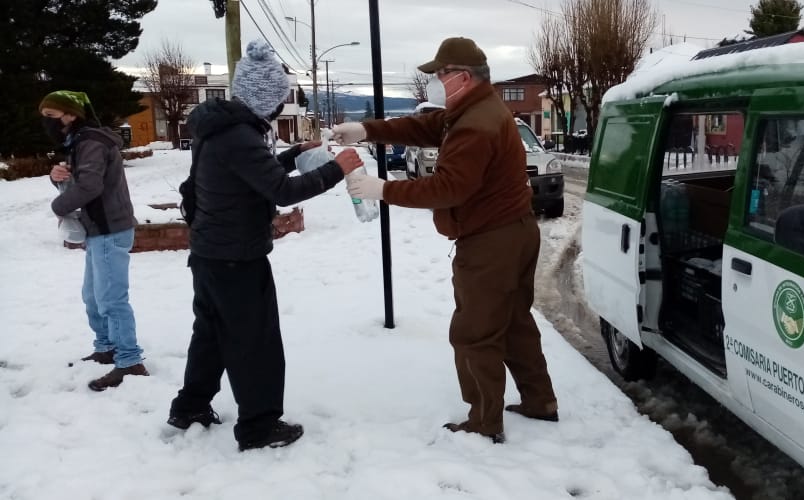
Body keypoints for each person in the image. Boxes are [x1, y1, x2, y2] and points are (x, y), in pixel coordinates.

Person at [332, 37, 558, 443]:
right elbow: (423, 126)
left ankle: (484, 422)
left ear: (464, 76)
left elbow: (448, 188)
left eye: (441, 74)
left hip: (492, 241)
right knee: (514, 322)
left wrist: (382, 189)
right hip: (514, 232)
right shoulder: (474, 110)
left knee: (475, 332)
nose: (436, 82)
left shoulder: (476, 123)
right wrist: (367, 129)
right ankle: (540, 401)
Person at [166, 40, 363, 452]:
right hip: (237, 258)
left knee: (212, 334)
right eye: (280, 98)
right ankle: (258, 426)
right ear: (266, 99)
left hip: (210, 254)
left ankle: (189, 407)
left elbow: (254, 173)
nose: (280, 107)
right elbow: (280, 191)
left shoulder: (220, 129)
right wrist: (336, 168)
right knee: (254, 343)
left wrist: (294, 153)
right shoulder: (239, 136)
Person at [40, 90, 148, 391]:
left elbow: (89, 186)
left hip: (110, 229)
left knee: (112, 299)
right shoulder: (79, 142)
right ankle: (106, 348)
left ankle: (129, 361)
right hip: (98, 229)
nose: (45, 123)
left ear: (70, 115)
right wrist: (59, 176)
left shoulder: (90, 142)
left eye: (51, 116)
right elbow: (82, 180)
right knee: (92, 296)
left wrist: (57, 206)